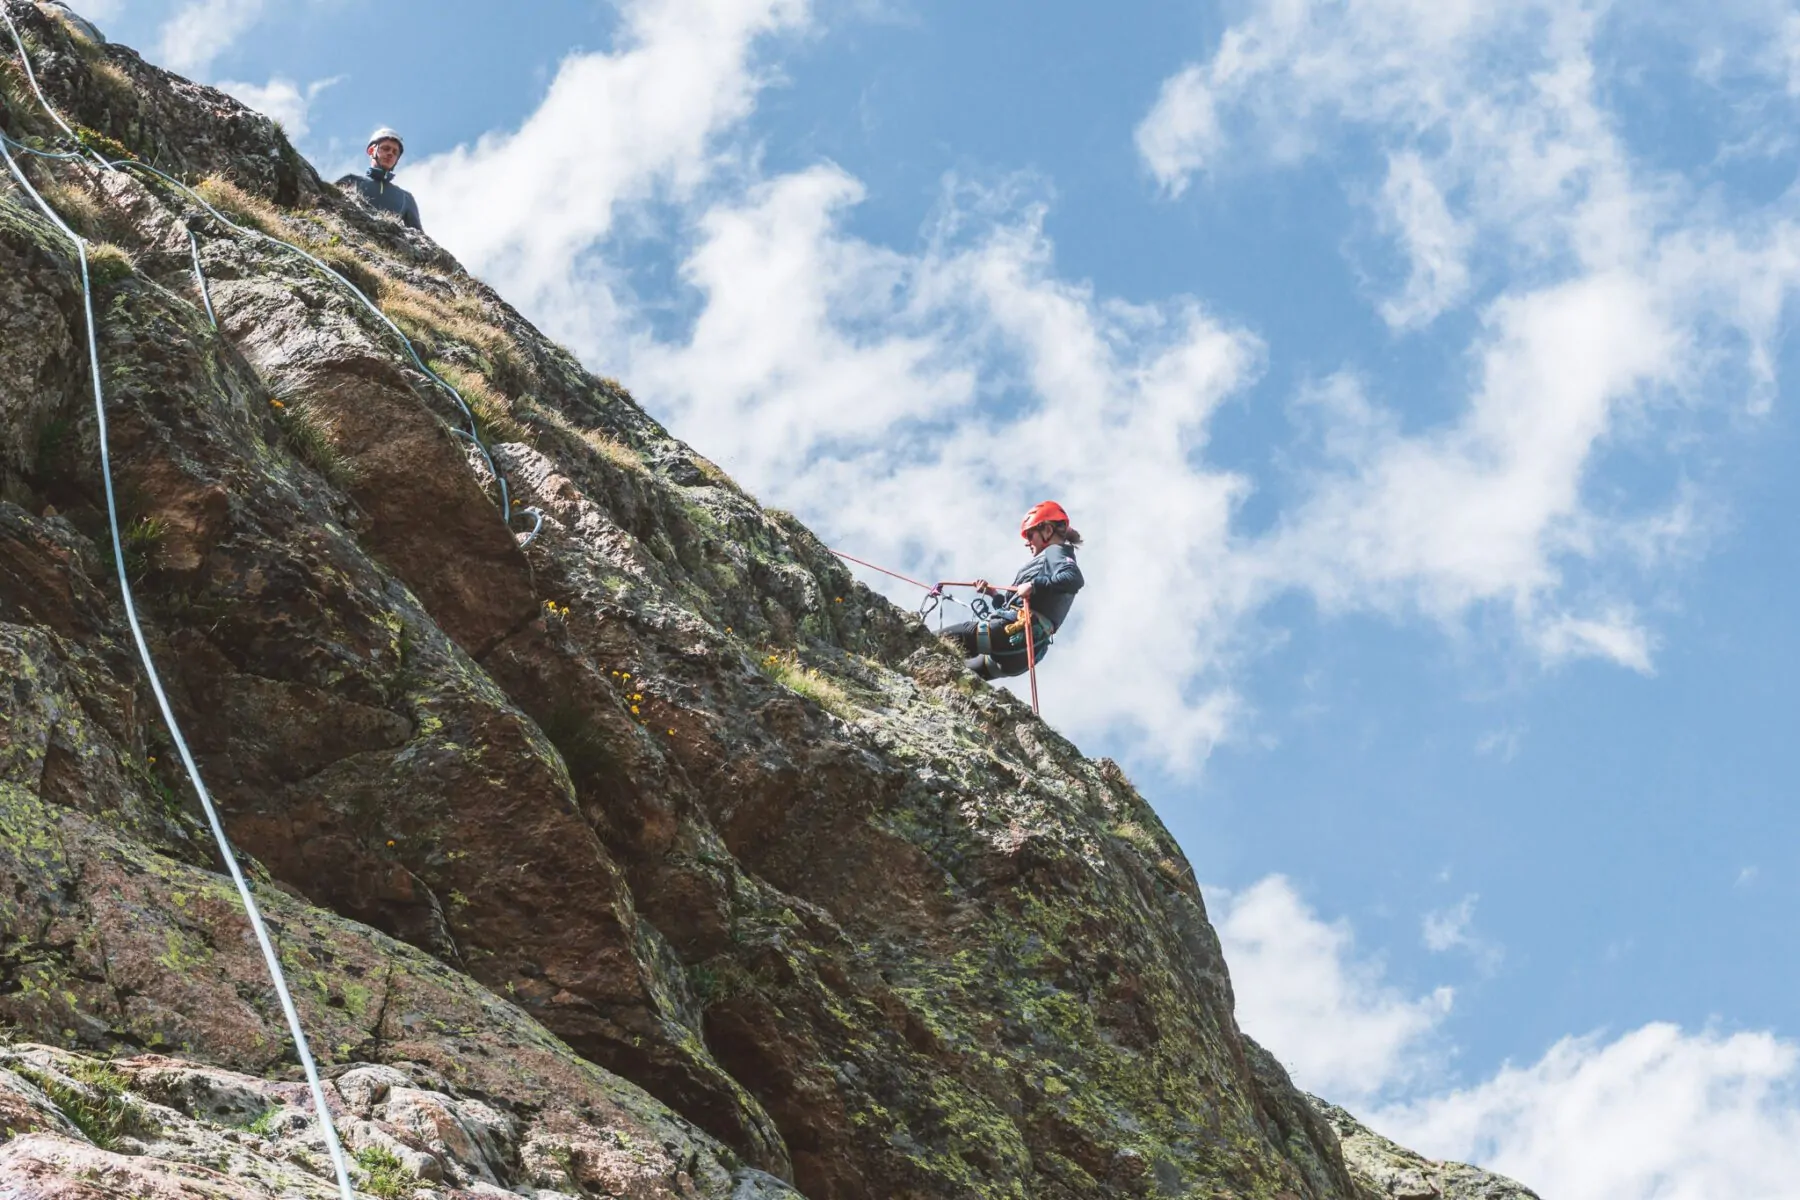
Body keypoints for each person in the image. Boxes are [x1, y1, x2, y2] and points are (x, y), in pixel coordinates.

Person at [943, 501, 1084, 680]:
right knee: (956, 675)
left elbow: (1074, 578)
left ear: (1047, 531)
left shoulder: (1056, 552)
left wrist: (1034, 585)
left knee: (937, 641)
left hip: (1014, 636)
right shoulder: (1053, 563)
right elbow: (1020, 607)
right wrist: (993, 594)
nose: (1027, 543)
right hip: (1021, 653)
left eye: (1030, 535)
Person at [339, 127, 421, 230]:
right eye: (386, 148)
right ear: (371, 150)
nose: (390, 153)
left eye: (395, 152)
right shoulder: (351, 181)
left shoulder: (405, 198)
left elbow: (420, 238)